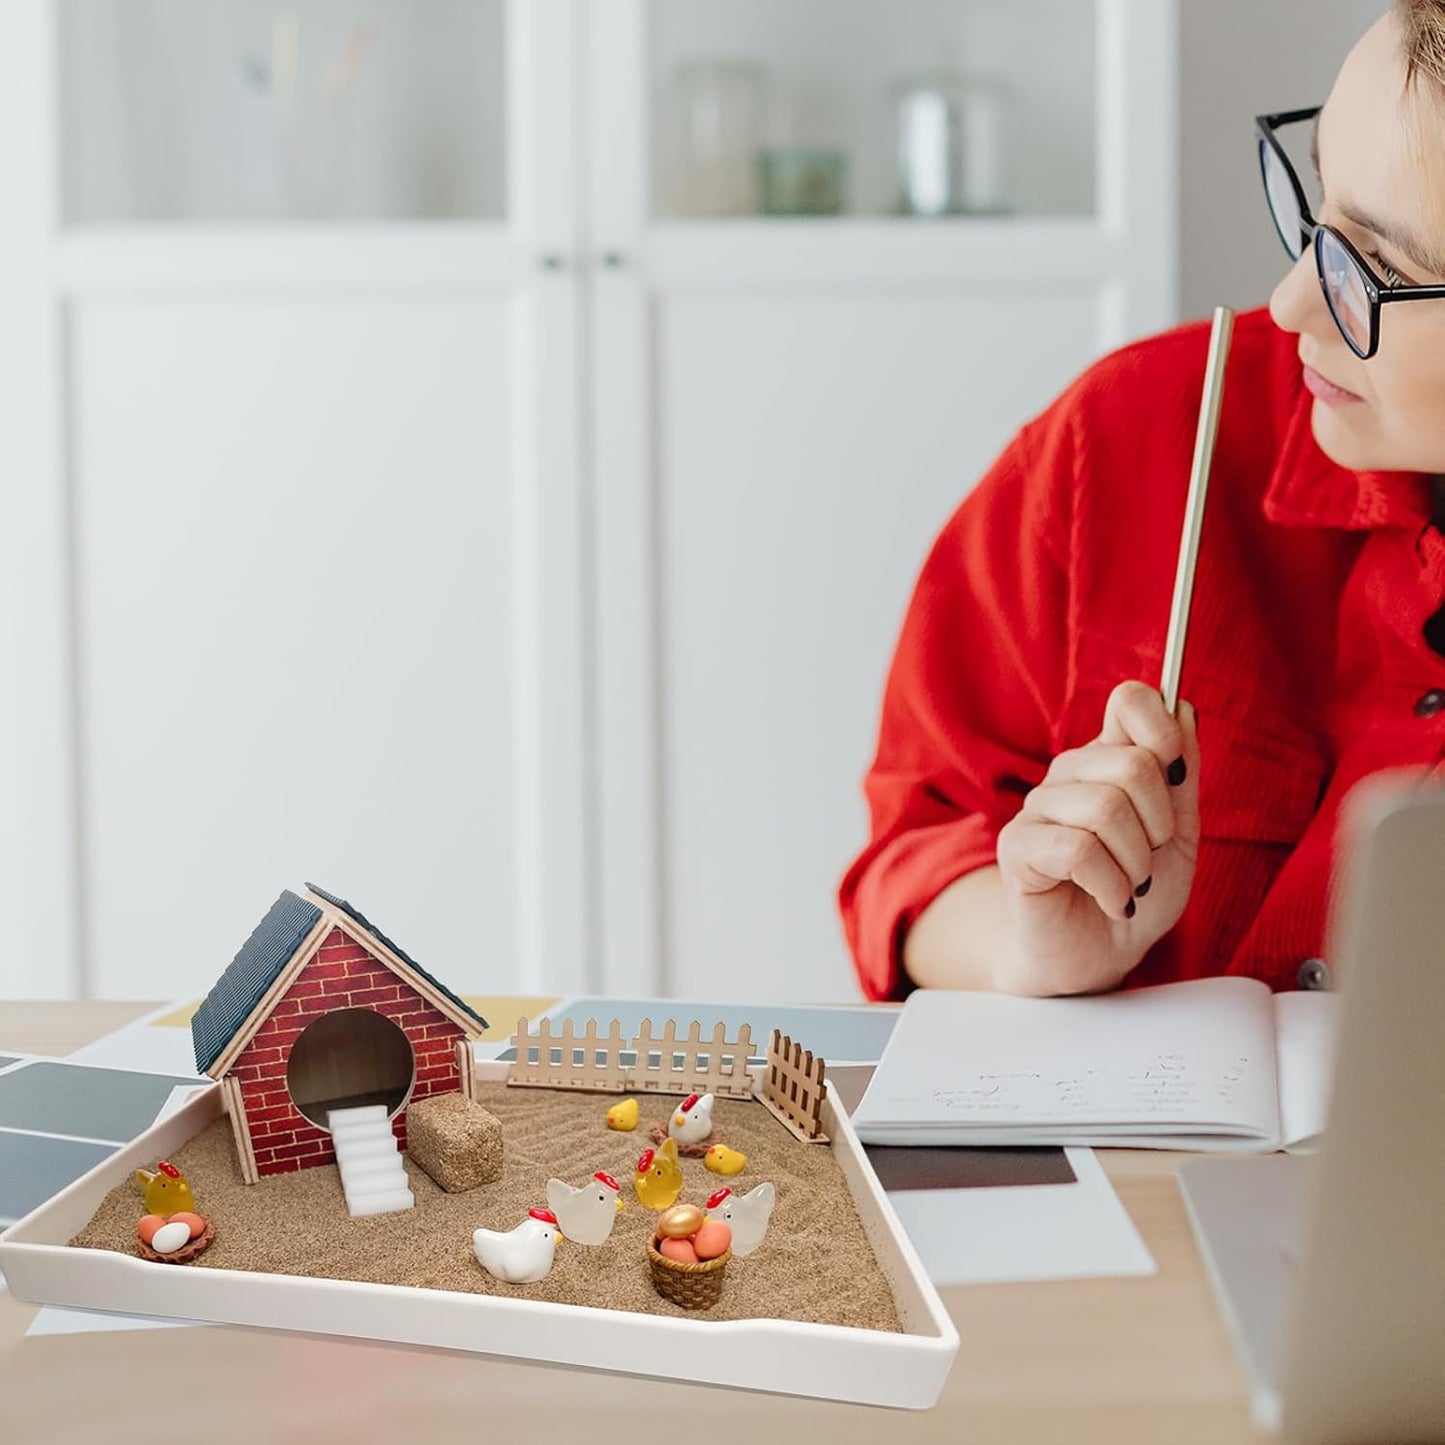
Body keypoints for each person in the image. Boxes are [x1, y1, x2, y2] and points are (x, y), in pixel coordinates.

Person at [839, 1, 1445, 1002]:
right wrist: (1029, 945)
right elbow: (914, 848)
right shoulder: (1127, 436)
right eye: (1317, 205)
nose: (1291, 301)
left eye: (1376, 266)